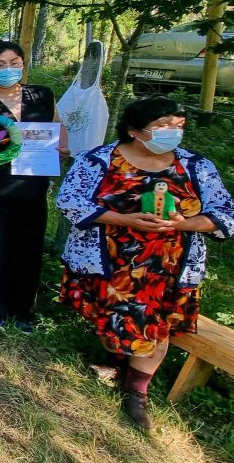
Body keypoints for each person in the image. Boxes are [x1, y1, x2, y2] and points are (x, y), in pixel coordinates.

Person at [58, 96, 234, 431]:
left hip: (169, 267)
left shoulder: (196, 167)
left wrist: (183, 224)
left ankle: (137, 392)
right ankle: (116, 359)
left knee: (157, 325)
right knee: (114, 318)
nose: (173, 132)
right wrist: (126, 220)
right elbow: (70, 201)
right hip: (111, 262)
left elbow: (224, 213)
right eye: (163, 125)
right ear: (135, 130)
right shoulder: (99, 160)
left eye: (179, 126)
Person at [0, 39, 69, 332]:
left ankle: (24, 310)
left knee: (28, 246)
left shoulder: (42, 96)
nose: (8, 69)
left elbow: (58, 127)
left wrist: (61, 147)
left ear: (23, 65)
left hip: (30, 184)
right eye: (0, 65)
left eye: (14, 63)